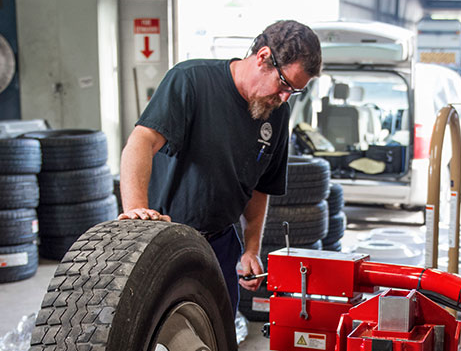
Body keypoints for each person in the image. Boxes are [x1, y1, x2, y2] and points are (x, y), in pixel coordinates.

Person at [118, 20, 323, 314]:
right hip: (164, 241)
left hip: (222, 246)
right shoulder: (191, 80)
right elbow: (141, 141)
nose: (285, 97)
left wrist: (251, 251)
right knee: (159, 335)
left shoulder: (277, 114)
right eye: (284, 84)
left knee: (218, 338)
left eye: (295, 91)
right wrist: (136, 210)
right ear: (263, 57)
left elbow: (260, 187)